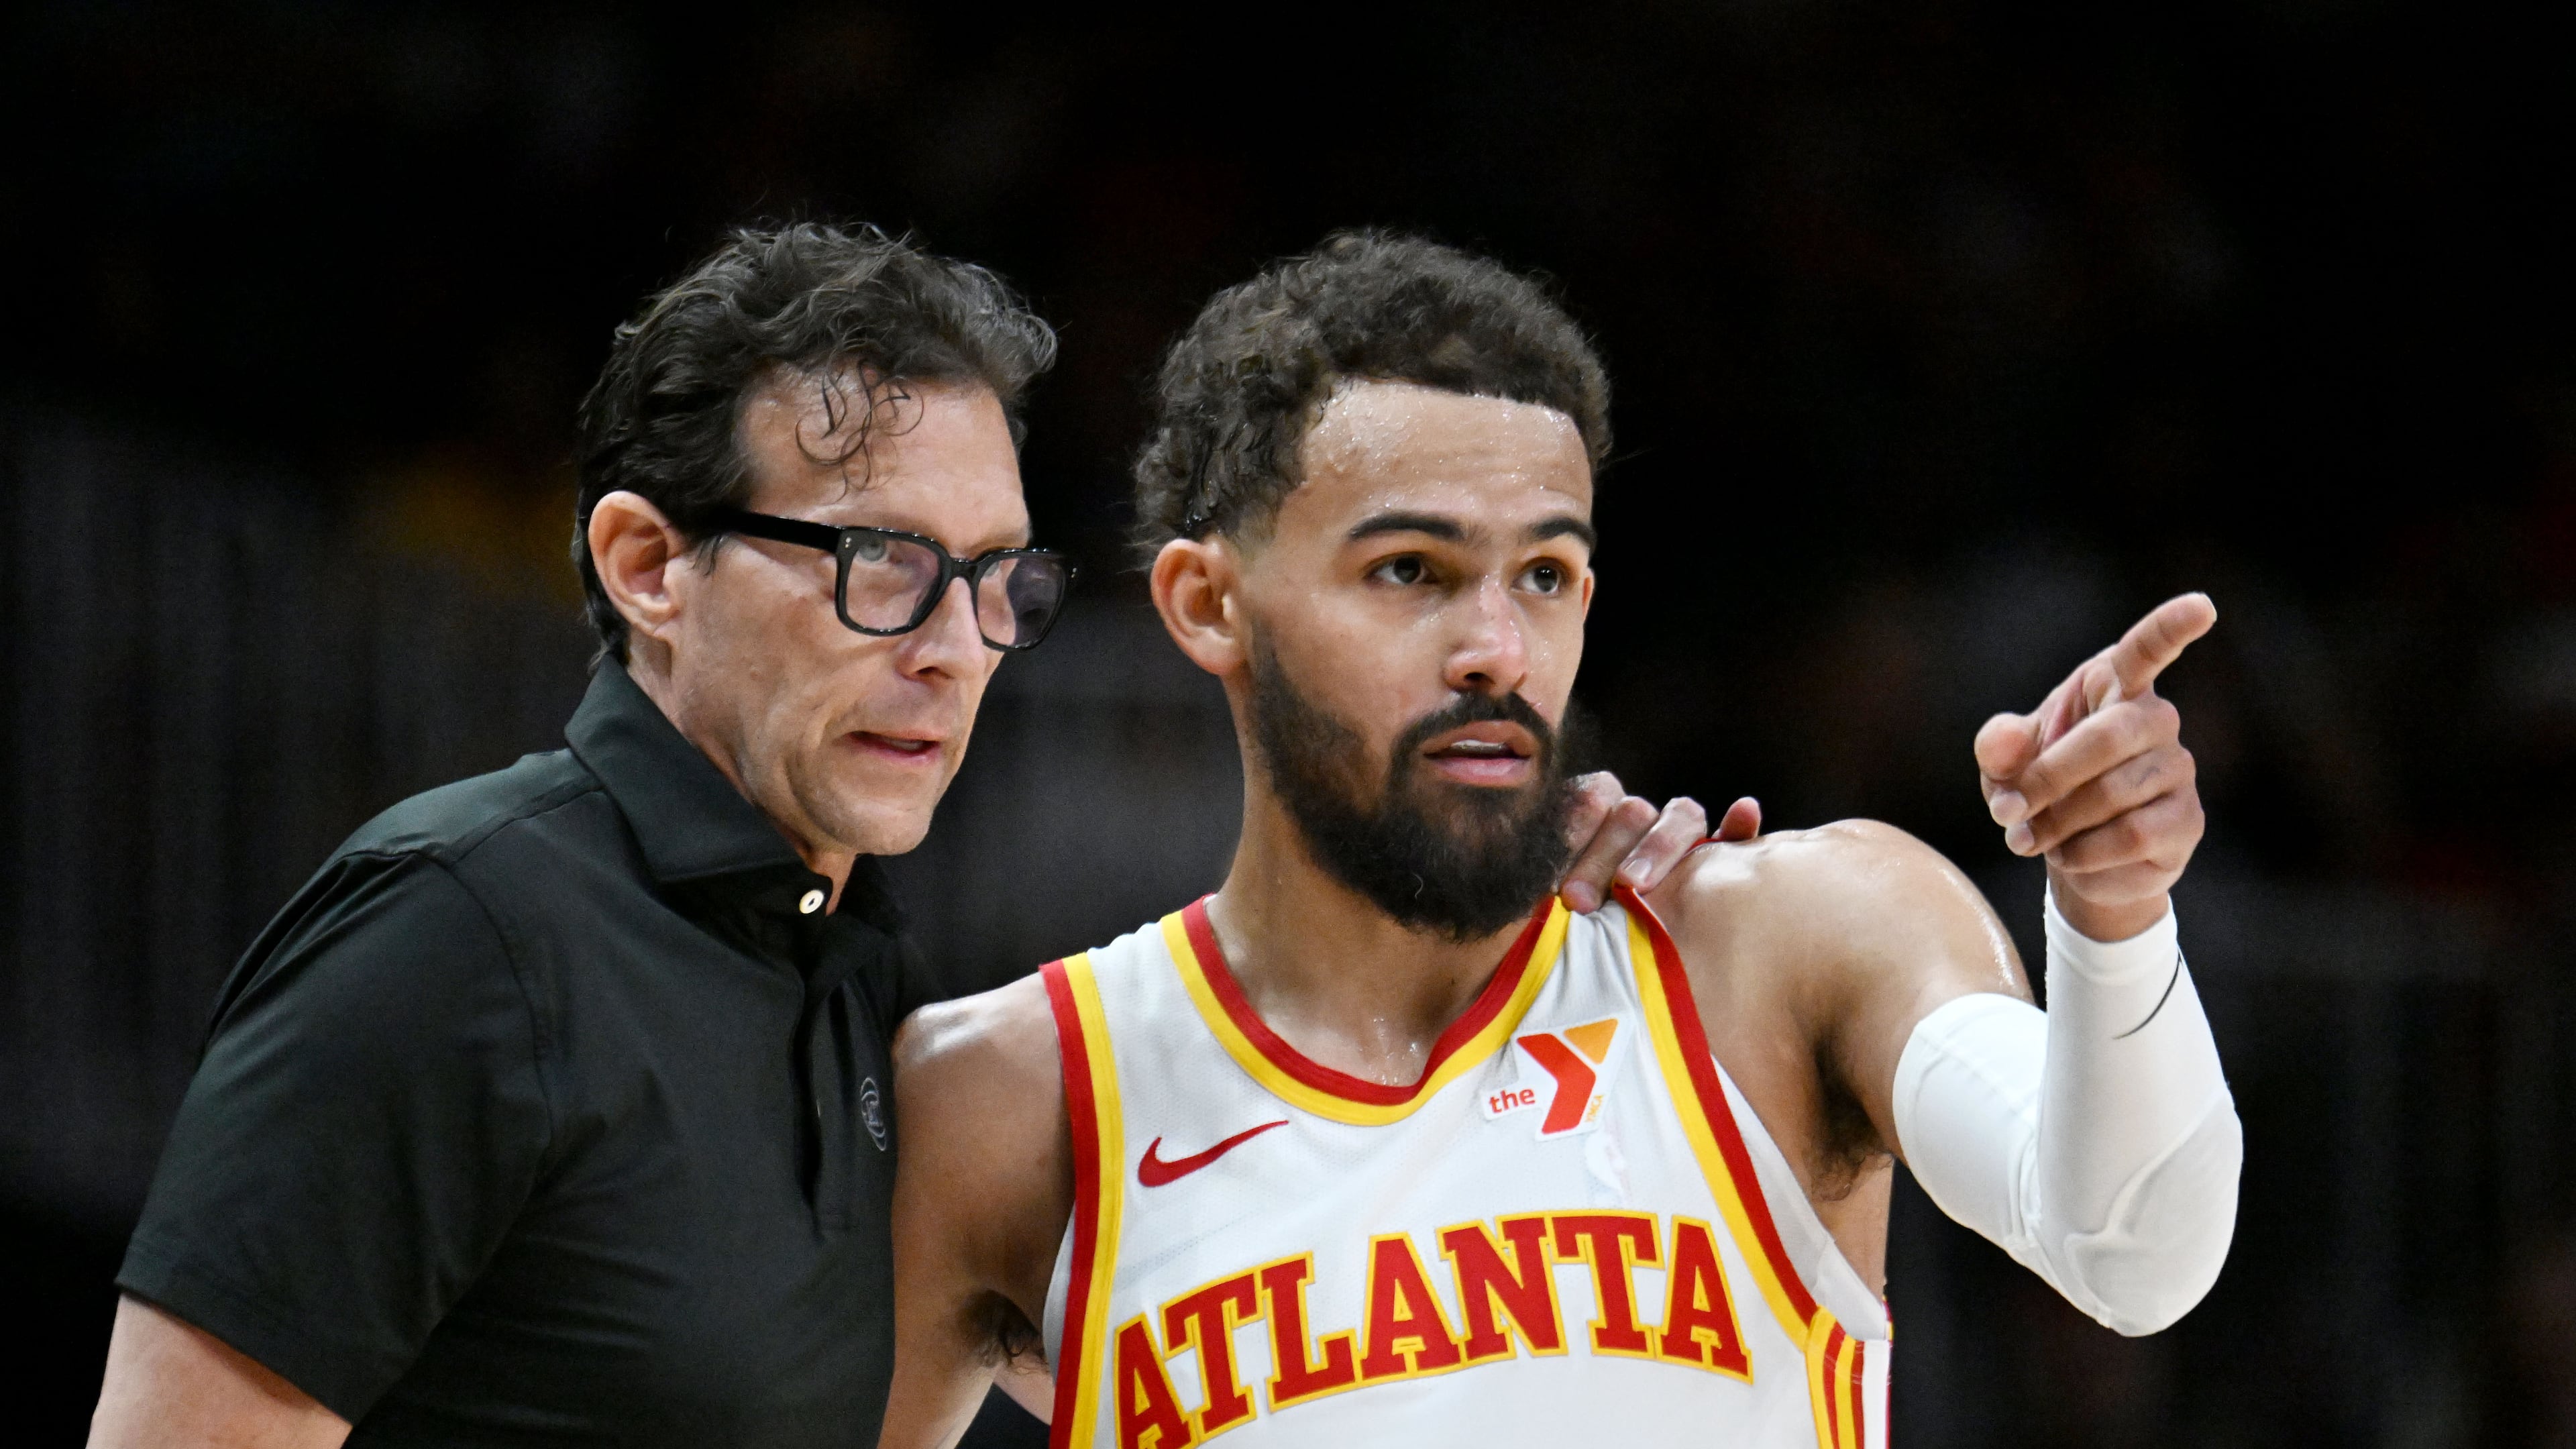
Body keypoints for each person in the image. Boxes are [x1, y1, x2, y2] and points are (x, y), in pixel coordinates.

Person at [85, 223, 1705, 1449]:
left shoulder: (866, 1002)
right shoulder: (460, 932)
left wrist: (1514, 923)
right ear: (651, 567)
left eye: (996, 578)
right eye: (879, 564)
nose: (954, 648)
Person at [882, 233, 2242, 1448]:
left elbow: (2131, 1253)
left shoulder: (1784, 944)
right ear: (1207, 603)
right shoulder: (1010, 1099)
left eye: (1543, 576)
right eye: (1409, 572)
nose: (1497, 651)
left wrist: (2116, 921)